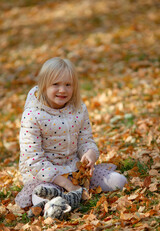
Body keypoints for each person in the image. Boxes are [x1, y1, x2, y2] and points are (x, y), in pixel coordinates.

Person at [15, 57, 127, 208]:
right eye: (56, 84)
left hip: (74, 170)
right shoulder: (32, 115)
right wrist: (68, 186)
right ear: (44, 85)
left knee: (119, 181)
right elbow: (34, 159)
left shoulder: (78, 108)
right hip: (46, 176)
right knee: (41, 197)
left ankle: (68, 197)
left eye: (68, 85)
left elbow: (85, 139)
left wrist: (89, 153)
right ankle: (59, 200)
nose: (63, 90)